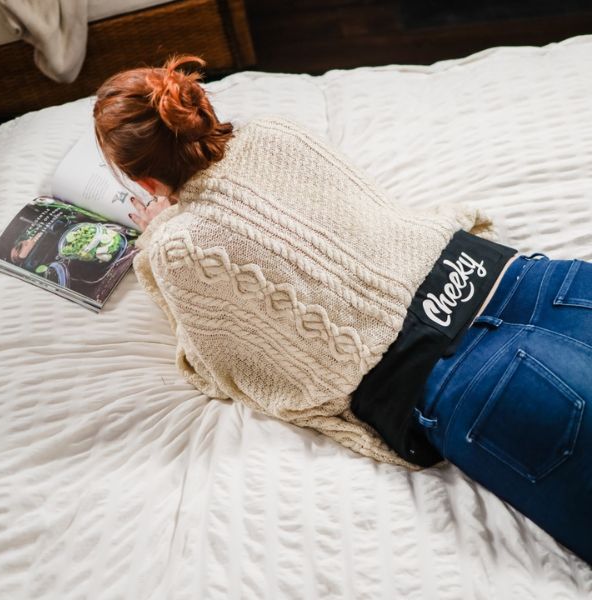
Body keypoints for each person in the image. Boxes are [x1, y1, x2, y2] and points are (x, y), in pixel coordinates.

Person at [93, 54, 592, 566]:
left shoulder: (177, 246)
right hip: (522, 279)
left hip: (457, 371)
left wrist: (158, 233)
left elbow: (217, 367)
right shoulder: (274, 133)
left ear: (145, 182)